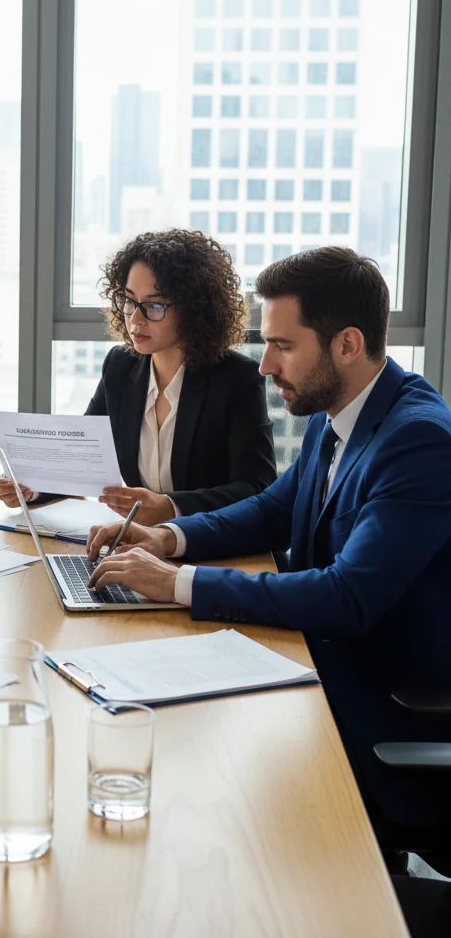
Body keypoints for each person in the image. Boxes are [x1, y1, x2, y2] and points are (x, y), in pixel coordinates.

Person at [87, 247, 451, 838]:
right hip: (310, 666)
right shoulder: (339, 413)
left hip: (377, 710)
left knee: (206, 804)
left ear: (347, 345)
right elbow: (271, 510)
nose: (263, 365)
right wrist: (168, 538)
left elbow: (347, 596)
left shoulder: (417, 441)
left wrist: (178, 584)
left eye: (283, 346)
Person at [0, 229, 277, 523]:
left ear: (195, 310)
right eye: (129, 301)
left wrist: (171, 506)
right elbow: (80, 462)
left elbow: (257, 489)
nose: (135, 319)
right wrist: (31, 488)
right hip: (138, 546)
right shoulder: (120, 367)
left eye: (154, 305)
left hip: (208, 550)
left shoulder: (236, 379)